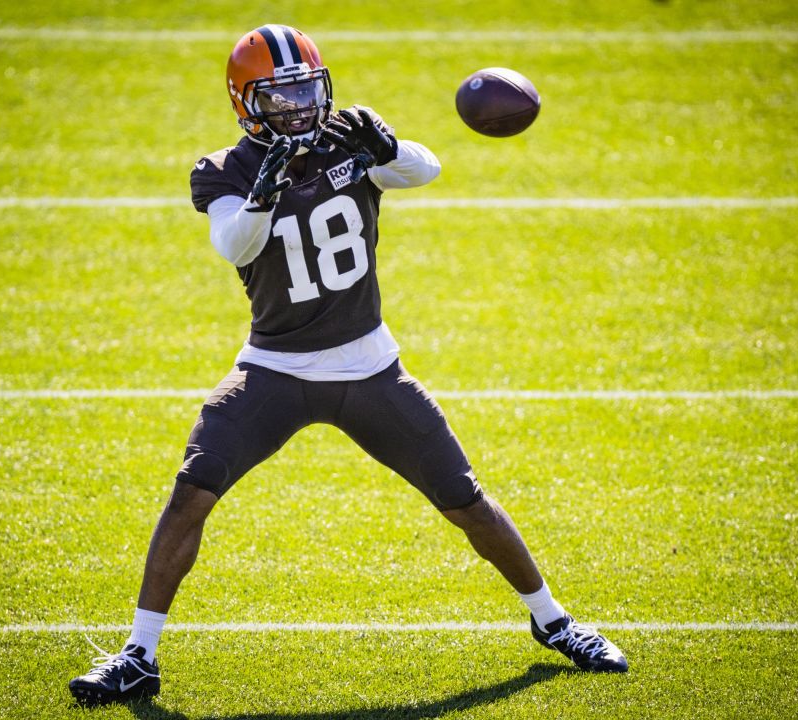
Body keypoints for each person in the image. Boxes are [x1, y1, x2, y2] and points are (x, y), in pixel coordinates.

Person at [68, 23, 628, 706]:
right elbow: (235, 246)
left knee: (465, 500)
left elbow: (424, 169)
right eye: (281, 96)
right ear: (247, 103)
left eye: (306, 90)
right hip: (272, 370)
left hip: (369, 368)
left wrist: (385, 145)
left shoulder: (347, 138)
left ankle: (555, 622)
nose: (299, 107)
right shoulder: (226, 170)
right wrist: (267, 189)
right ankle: (138, 655)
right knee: (192, 490)